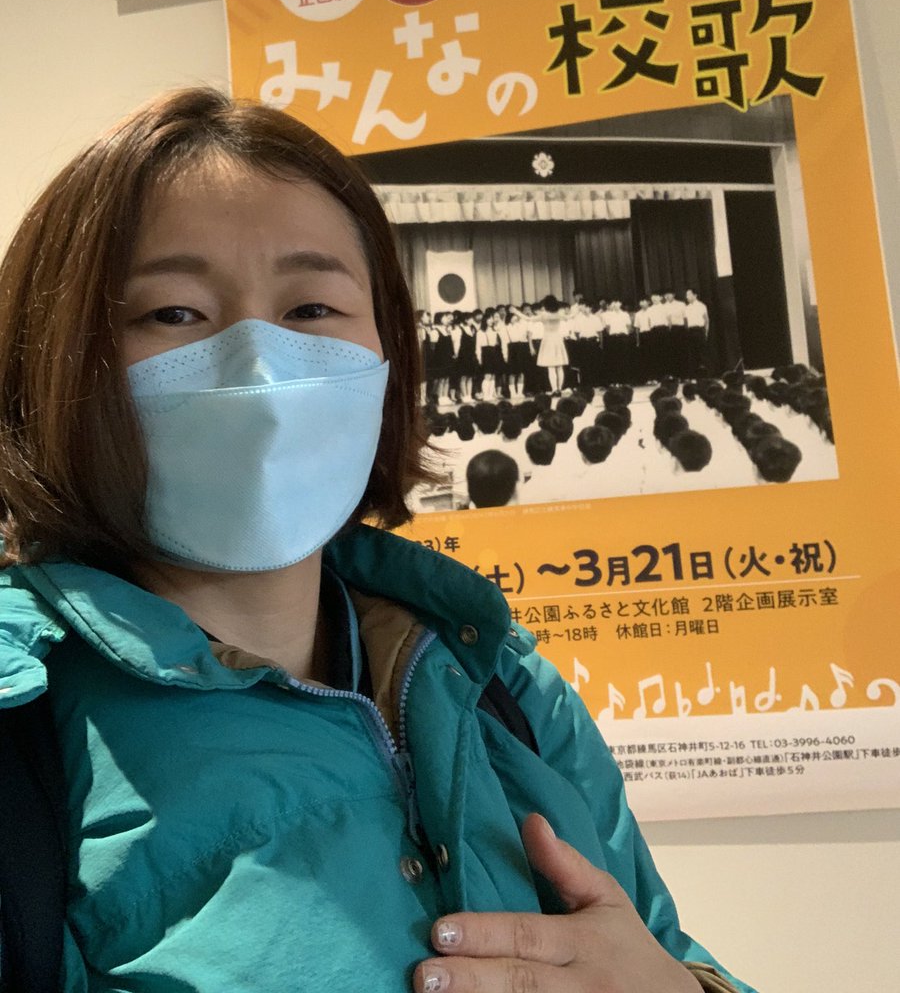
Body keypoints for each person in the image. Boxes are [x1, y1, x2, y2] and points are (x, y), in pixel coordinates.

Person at [0, 88, 754, 993]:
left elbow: (663, 946)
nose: (259, 369)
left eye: (313, 309)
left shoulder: (502, 682)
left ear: (388, 354)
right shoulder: (24, 722)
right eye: (174, 314)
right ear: (49, 363)